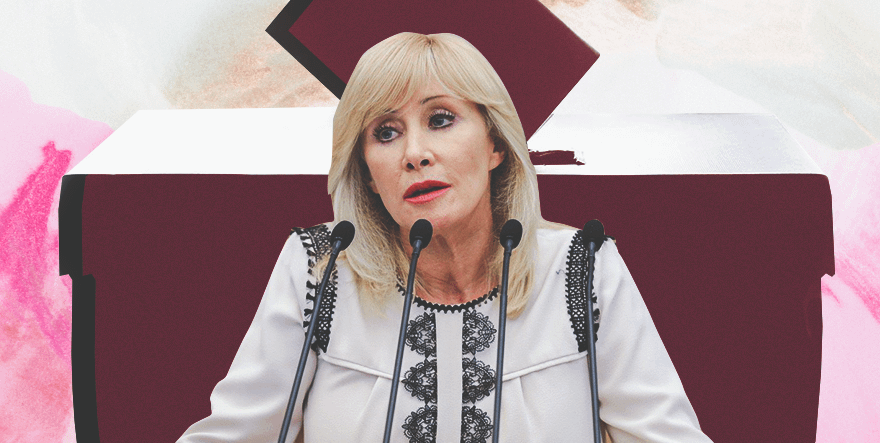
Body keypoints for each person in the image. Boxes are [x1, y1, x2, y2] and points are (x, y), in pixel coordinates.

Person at [178, 32, 712, 442]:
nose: (414, 153)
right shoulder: (321, 268)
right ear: (368, 172)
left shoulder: (582, 267)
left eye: (440, 119)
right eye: (386, 132)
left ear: (495, 144)